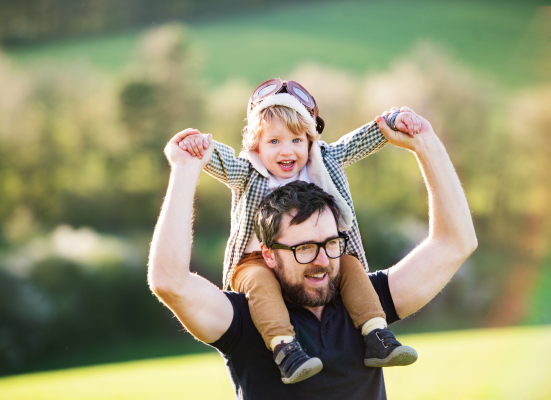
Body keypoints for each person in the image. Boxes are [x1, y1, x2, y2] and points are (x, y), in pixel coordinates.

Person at [148, 110, 477, 399]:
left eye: (331, 243)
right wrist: (186, 169)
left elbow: (455, 243)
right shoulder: (244, 320)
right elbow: (169, 281)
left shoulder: (364, 297)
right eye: (304, 248)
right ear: (269, 255)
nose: (322, 260)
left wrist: (426, 143)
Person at [173, 79, 421, 383]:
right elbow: (223, 162)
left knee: (350, 267)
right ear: (256, 146)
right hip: (255, 259)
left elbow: (358, 141)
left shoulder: (322, 162)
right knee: (259, 284)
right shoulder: (250, 171)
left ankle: (376, 334)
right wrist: (200, 146)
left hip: (316, 251)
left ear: (310, 141)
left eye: (296, 140)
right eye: (273, 142)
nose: (286, 151)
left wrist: (394, 121)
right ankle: (285, 349)